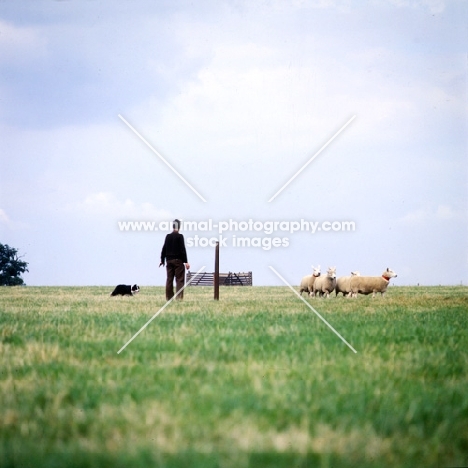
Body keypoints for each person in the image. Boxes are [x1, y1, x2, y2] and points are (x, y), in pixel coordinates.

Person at [159, 219, 190, 300]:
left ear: (173, 226)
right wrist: (186, 262)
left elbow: (164, 249)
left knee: (169, 279)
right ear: (179, 227)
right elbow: (182, 249)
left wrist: (162, 260)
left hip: (168, 261)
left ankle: (169, 298)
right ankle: (179, 298)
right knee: (179, 280)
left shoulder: (168, 236)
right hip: (178, 261)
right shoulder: (180, 236)